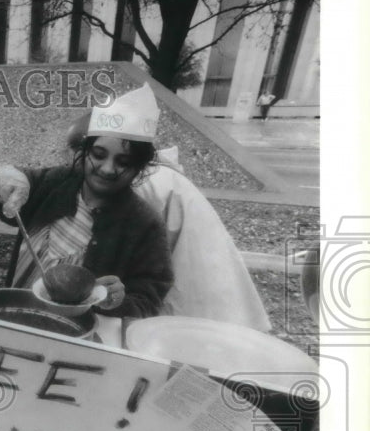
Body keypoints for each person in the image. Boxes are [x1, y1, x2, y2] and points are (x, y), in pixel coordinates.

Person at [0, 83, 173, 319]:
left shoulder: (146, 224)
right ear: (86, 151)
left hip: (76, 333)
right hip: (17, 313)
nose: (107, 169)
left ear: (138, 168)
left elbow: (149, 300)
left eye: (123, 162)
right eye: (99, 155)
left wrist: (118, 301)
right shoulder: (52, 184)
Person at [64, 111, 271, 330]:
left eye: (71, 151)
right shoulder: (154, 174)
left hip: (191, 284)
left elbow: (116, 251)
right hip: (213, 280)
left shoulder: (136, 186)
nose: (67, 160)